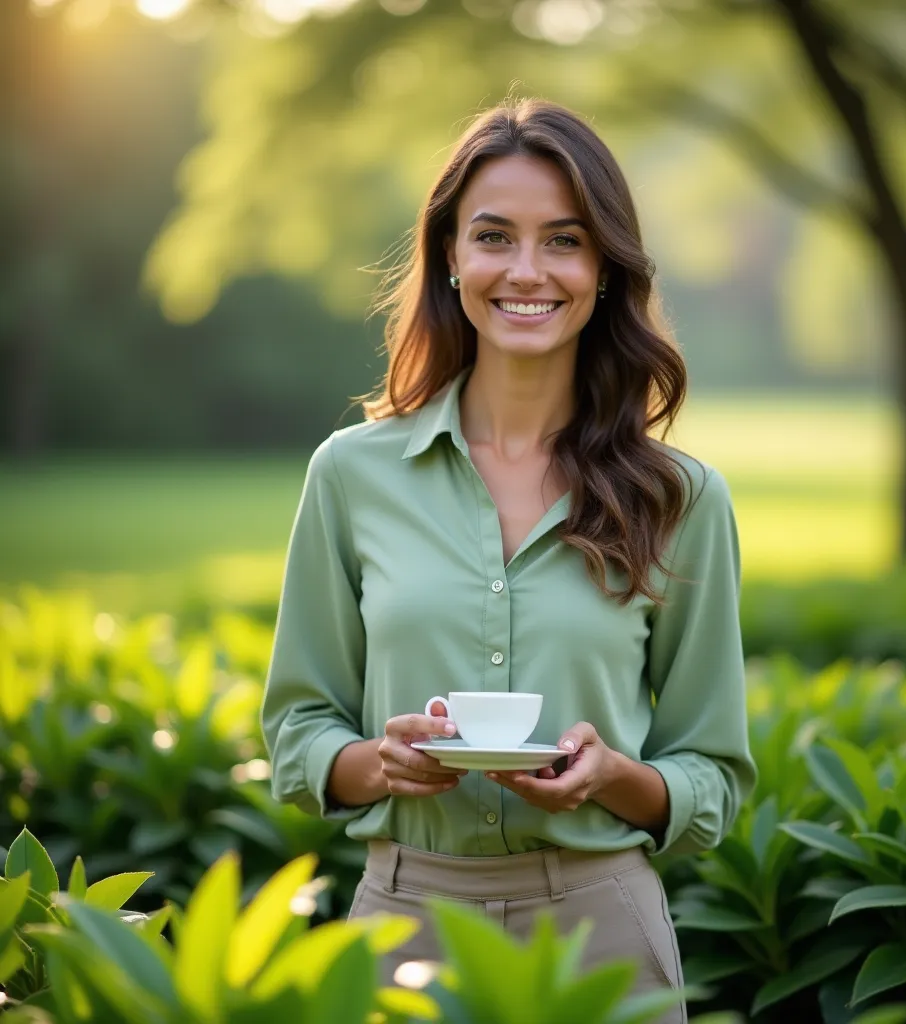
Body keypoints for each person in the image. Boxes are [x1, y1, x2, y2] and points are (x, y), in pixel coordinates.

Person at [260, 98, 756, 1023]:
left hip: (602, 931)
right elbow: (297, 734)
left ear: (605, 267)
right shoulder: (350, 475)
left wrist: (613, 776)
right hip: (400, 927)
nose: (527, 271)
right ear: (450, 256)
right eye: (494, 236)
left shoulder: (681, 498)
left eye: (564, 240)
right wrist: (380, 763)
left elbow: (713, 777)